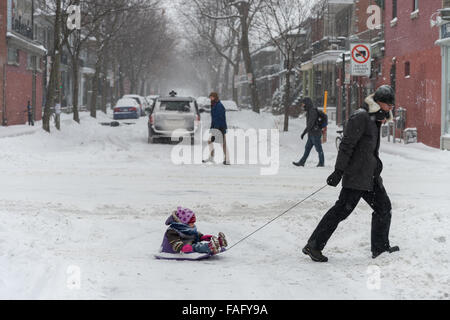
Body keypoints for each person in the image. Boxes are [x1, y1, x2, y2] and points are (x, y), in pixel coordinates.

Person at [303, 85, 400, 263]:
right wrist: (339, 171)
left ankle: (380, 248)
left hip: (370, 177)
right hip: (356, 176)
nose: (391, 109)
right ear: (378, 102)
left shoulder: (375, 119)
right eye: (388, 105)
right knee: (341, 210)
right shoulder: (361, 117)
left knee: (384, 208)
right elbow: (346, 145)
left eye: (392, 106)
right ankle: (314, 245)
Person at [160, 207, 228, 255]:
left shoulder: (187, 228)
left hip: (189, 245)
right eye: (191, 223)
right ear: (183, 223)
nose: (193, 225)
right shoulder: (172, 231)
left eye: (194, 222)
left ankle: (219, 243)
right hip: (176, 250)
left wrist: (202, 237)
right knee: (197, 247)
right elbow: (175, 242)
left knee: (197, 245)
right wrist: (182, 247)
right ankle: (210, 247)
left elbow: (193, 235)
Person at [293, 97, 325, 167]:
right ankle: (302, 162)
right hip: (311, 134)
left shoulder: (312, 111)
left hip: (315, 134)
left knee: (319, 149)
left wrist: (304, 133)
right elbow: (309, 125)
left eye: (303, 104)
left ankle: (321, 163)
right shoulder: (309, 111)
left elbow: (310, 124)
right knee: (307, 148)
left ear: (307, 103)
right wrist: (305, 133)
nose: (302, 105)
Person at [203, 92, 230, 165]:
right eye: (210, 97)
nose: (210, 98)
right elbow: (214, 118)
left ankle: (226, 159)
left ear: (215, 97)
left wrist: (216, 129)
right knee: (217, 142)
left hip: (219, 127)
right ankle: (220, 158)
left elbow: (220, 118)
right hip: (216, 127)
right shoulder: (214, 105)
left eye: (212, 97)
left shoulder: (219, 106)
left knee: (222, 143)